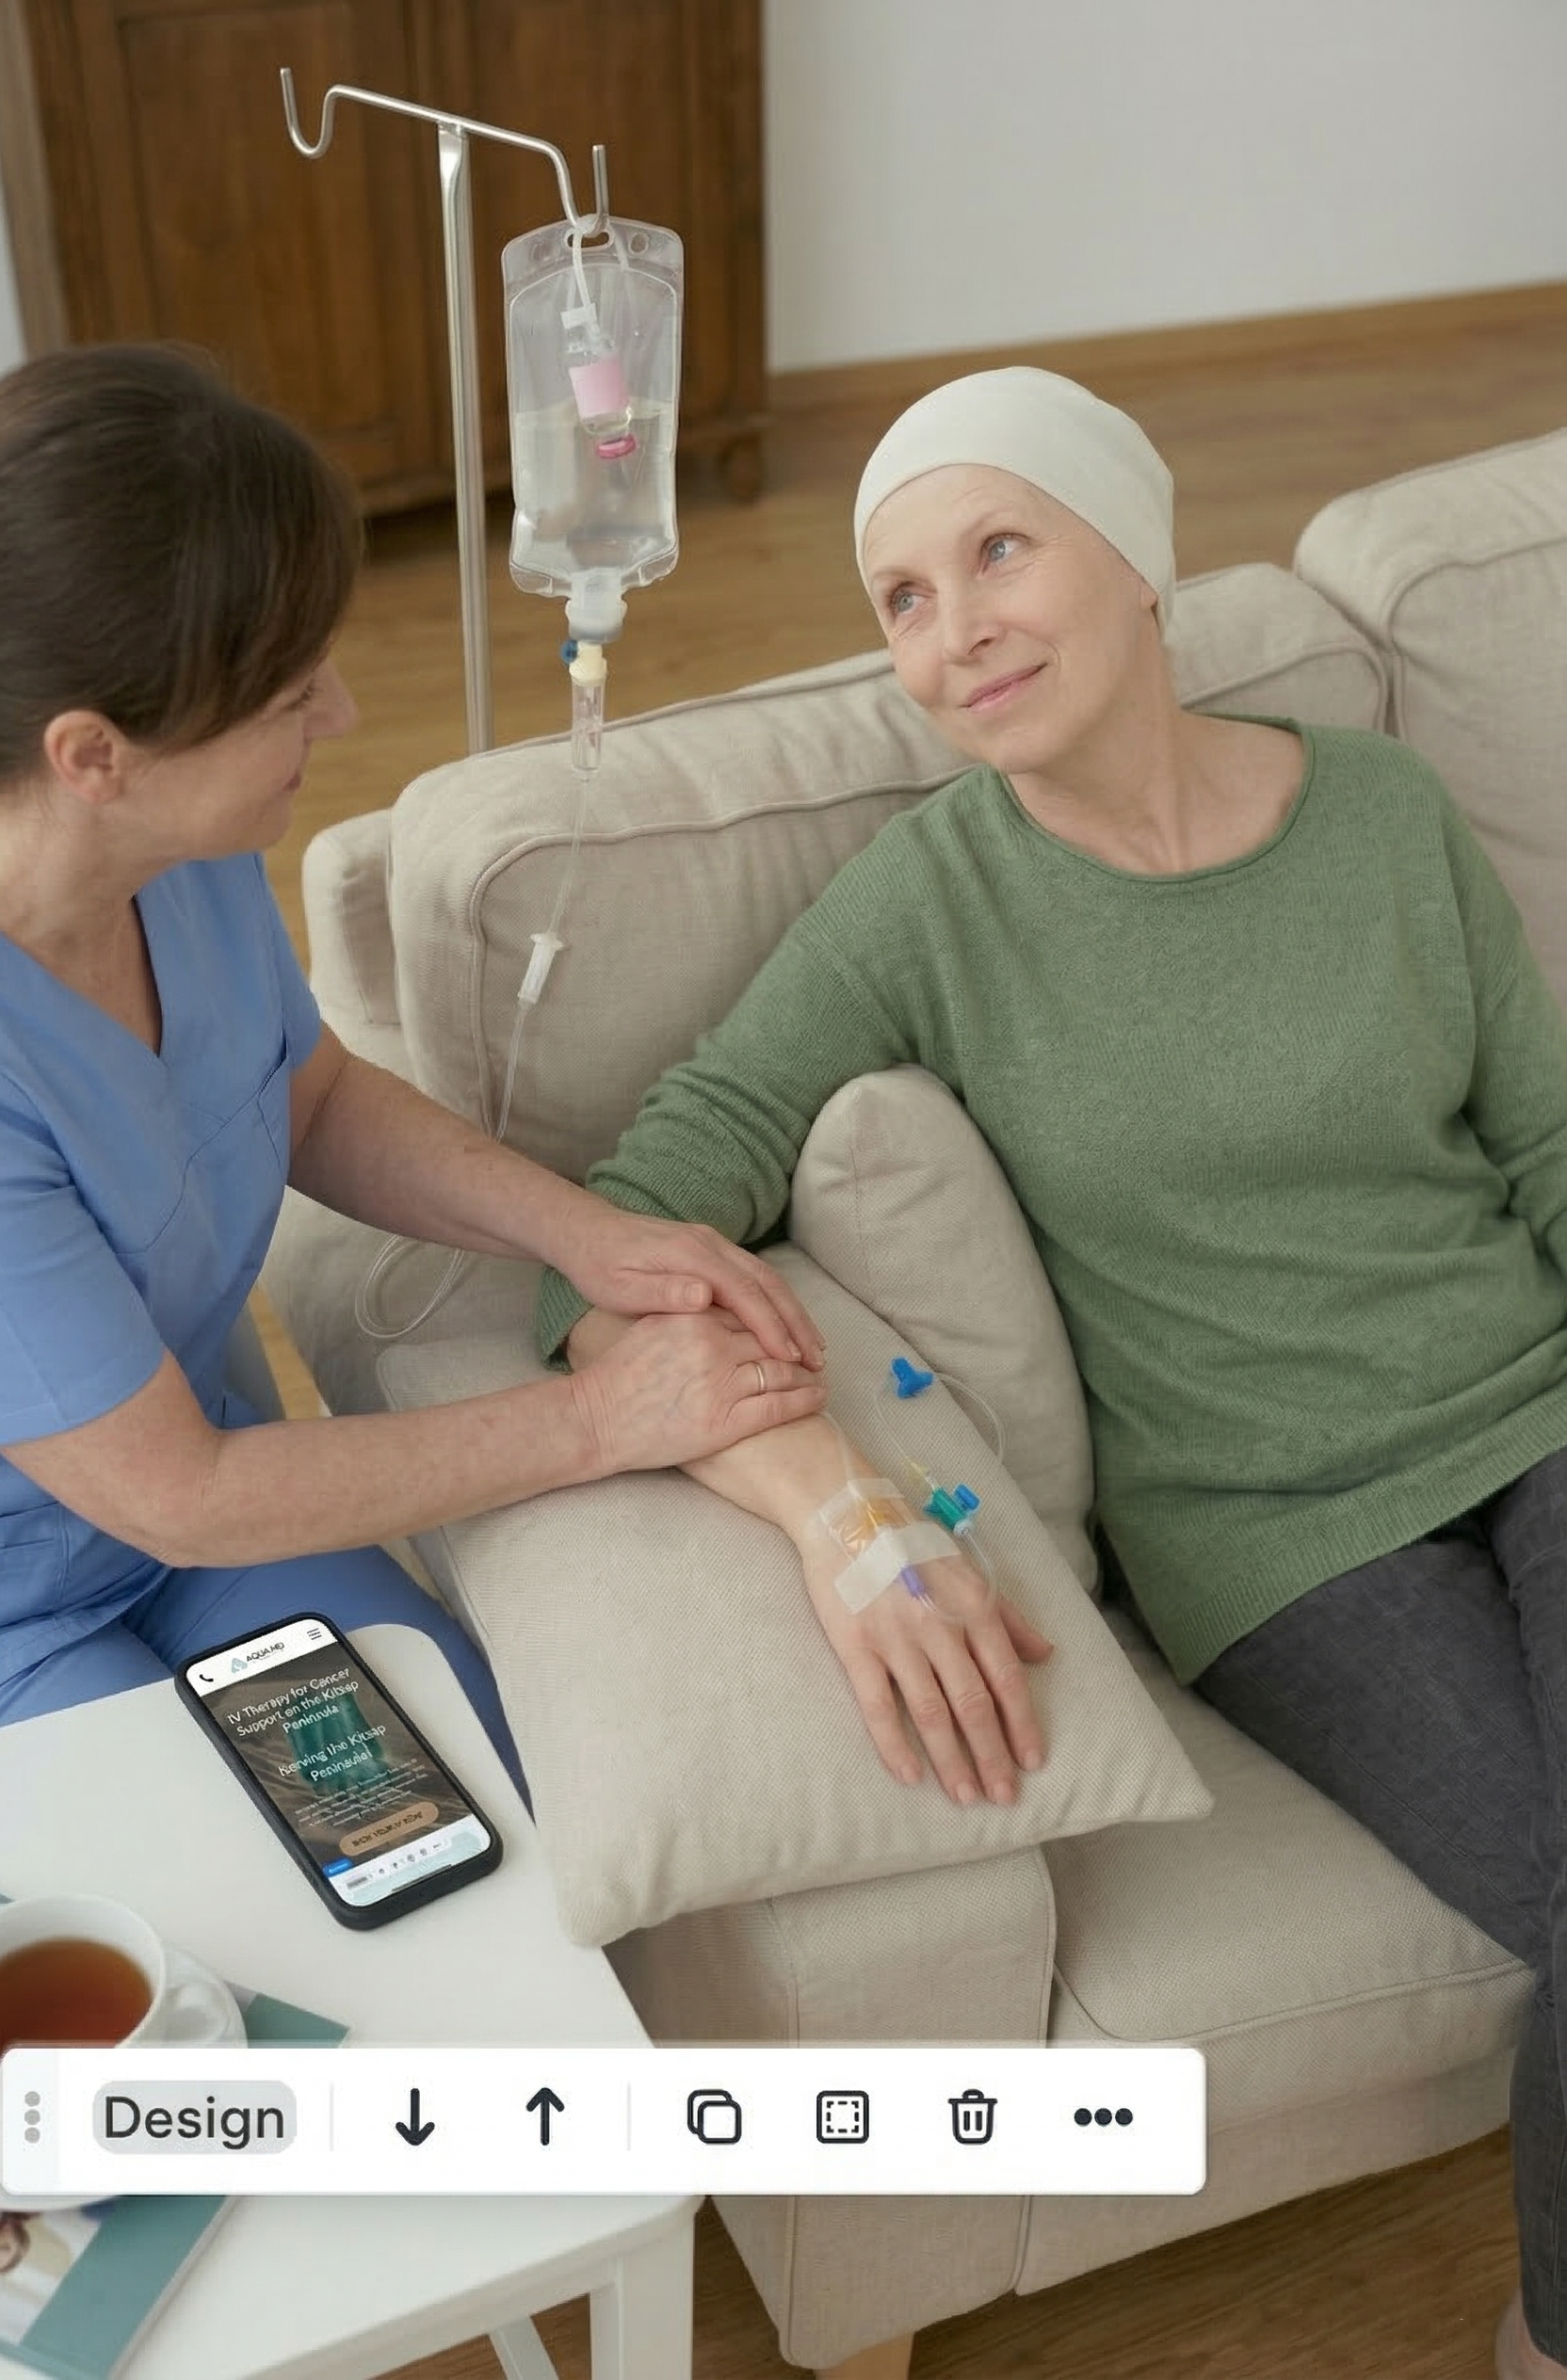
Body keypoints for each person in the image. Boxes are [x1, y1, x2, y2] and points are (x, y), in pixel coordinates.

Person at [535, 365, 1567, 2380]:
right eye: (902, 596)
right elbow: (642, 1211)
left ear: (1138, 551)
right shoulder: (930, 903)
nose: (953, 631)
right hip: (1277, 1545)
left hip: (1539, 1414)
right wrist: (789, 1471)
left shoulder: (1376, 813)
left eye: (995, 548)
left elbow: (1544, 1144)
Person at [0, 343, 826, 1783]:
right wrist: (598, 1417)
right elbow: (182, 1496)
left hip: (205, 1523)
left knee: (461, 1794)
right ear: (94, 755)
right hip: (38, 1614)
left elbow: (303, 1095)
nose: (340, 713)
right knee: (236, 1965)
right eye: (283, 696)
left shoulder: (175, 860)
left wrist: (594, 1232)